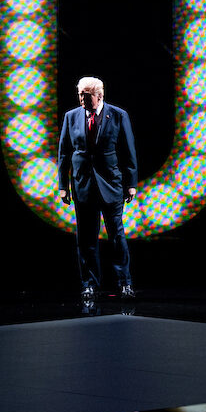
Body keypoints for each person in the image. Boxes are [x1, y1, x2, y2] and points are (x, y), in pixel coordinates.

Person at [57, 76, 138, 301]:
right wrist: (63, 185)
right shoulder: (71, 117)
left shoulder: (118, 115)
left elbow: (128, 151)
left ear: (99, 95)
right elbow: (64, 152)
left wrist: (131, 183)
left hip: (111, 184)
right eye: (80, 94)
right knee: (86, 239)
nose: (82, 99)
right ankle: (89, 284)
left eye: (87, 95)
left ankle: (125, 283)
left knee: (116, 236)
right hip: (83, 185)